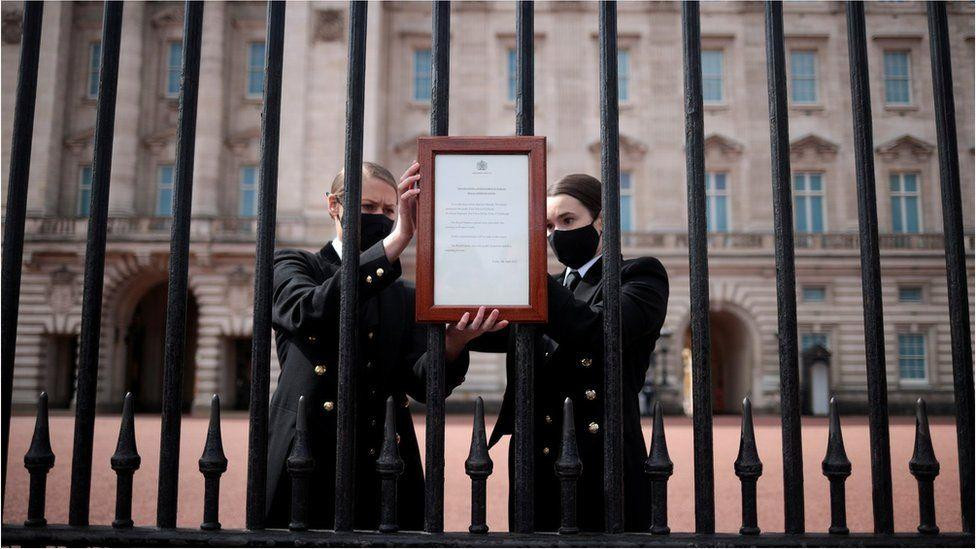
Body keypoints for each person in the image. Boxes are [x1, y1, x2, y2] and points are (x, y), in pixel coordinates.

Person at [265, 161, 507, 530]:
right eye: (368, 208)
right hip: (305, 447)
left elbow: (423, 384)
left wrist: (453, 343)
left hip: (383, 455)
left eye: (389, 210)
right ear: (334, 205)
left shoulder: (403, 296)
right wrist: (396, 242)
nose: (380, 217)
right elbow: (308, 312)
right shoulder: (293, 264)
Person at [468, 173, 669, 532]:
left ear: (602, 220)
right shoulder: (548, 287)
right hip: (536, 459)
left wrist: (528, 272)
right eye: (547, 225)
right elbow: (489, 331)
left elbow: (597, 330)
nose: (555, 234)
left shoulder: (640, 275)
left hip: (601, 458)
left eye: (568, 221)